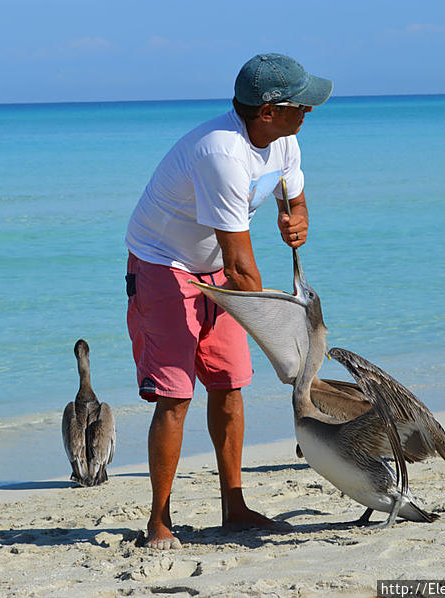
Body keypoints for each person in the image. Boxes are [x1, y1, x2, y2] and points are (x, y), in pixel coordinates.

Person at [124, 53, 333, 549]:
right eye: (301, 104)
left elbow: (293, 197)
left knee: (230, 383)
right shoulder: (221, 154)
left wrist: (296, 217)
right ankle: (158, 520)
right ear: (267, 110)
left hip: (215, 261)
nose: (309, 112)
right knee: (176, 396)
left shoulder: (285, 140)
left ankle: (234, 507)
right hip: (163, 262)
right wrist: (290, 349)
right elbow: (242, 269)